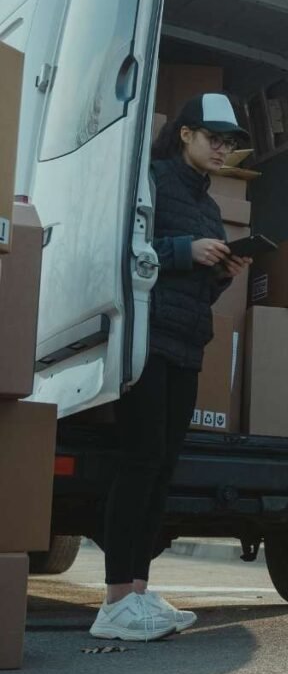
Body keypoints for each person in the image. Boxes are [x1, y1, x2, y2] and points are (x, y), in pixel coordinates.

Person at [90, 93, 252, 641]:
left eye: (229, 142)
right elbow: (122, 249)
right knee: (138, 461)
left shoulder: (209, 206)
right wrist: (187, 250)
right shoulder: (152, 181)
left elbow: (198, 291)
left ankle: (137, 591)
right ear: (185, 134)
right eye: (214, 137)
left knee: (162, 466)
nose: (222, 149)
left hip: (187, 344)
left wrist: (225, 269)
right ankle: (113, 602)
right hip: (146, 339)